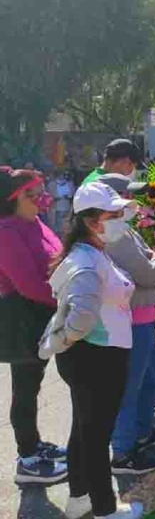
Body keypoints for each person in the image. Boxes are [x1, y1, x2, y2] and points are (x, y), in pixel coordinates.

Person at [38, 182, 144, 519]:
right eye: (112, 215)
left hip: (90, 356)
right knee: (97, 434)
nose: (119, 220)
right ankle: (105, 512)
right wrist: (64, 341)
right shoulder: (86, 261)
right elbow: (81, 318)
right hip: (97, 357)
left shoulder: (90, 251)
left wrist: (67, 344)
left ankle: (79, 497)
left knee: (84, 428)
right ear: (91, 221)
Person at [97, 174, 155, 474]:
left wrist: (151, 259)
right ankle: (123, 451)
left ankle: (142, 432)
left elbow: (147, 265)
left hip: (141, 317)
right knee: (130, 385)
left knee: (152, 375)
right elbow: (149, 273)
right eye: (125, 196)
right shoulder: (117, 237)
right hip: (132, 318)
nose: (132, 202)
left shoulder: (124, 231)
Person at [0, 168, 68, 485]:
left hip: (42, 314)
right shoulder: (6, 231)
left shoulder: (35, 221)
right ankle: (27, 459)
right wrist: (68, 301)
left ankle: (35, 445)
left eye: (42, 191)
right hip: (22, 320)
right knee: (24, 390)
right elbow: (29, 285)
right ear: (13, 199)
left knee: (33, 385)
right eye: (33, 194)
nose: (42, 199)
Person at [47, 170, 76, 237]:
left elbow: (73, 195)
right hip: (56, 209)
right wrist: (55, 198)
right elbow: (48, 197)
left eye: (63, 175)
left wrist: (69, 197)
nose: (62, 176)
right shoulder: (51, 185)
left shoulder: (70, 184)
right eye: (60, 175)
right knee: (57, 227)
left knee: (67, 225)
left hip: (68, 208)